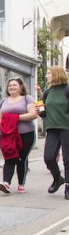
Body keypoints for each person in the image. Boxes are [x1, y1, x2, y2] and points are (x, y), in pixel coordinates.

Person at [0, 78, 37, 194]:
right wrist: (5, 122)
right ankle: (6, 183)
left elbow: (33, 114)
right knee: (9, 157)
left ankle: (21, 183)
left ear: (21, 87)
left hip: (26, 133)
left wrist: (15, 118)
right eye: (10, 85)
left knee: (21, 158)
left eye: (14, 85)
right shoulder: (3, 101)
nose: (12, 87)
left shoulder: (27, 99)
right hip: (8, 134)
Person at [42, 66, 69, 199]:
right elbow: (41, 108)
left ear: (56, 74)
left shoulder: (67, 90)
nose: (47, 76)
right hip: (52, 128)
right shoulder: (47, 92)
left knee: (67, 159)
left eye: (48, 73)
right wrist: (41, 111)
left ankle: (68, 187)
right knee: (48, 157)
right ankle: (58, 178)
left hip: (66, 127)